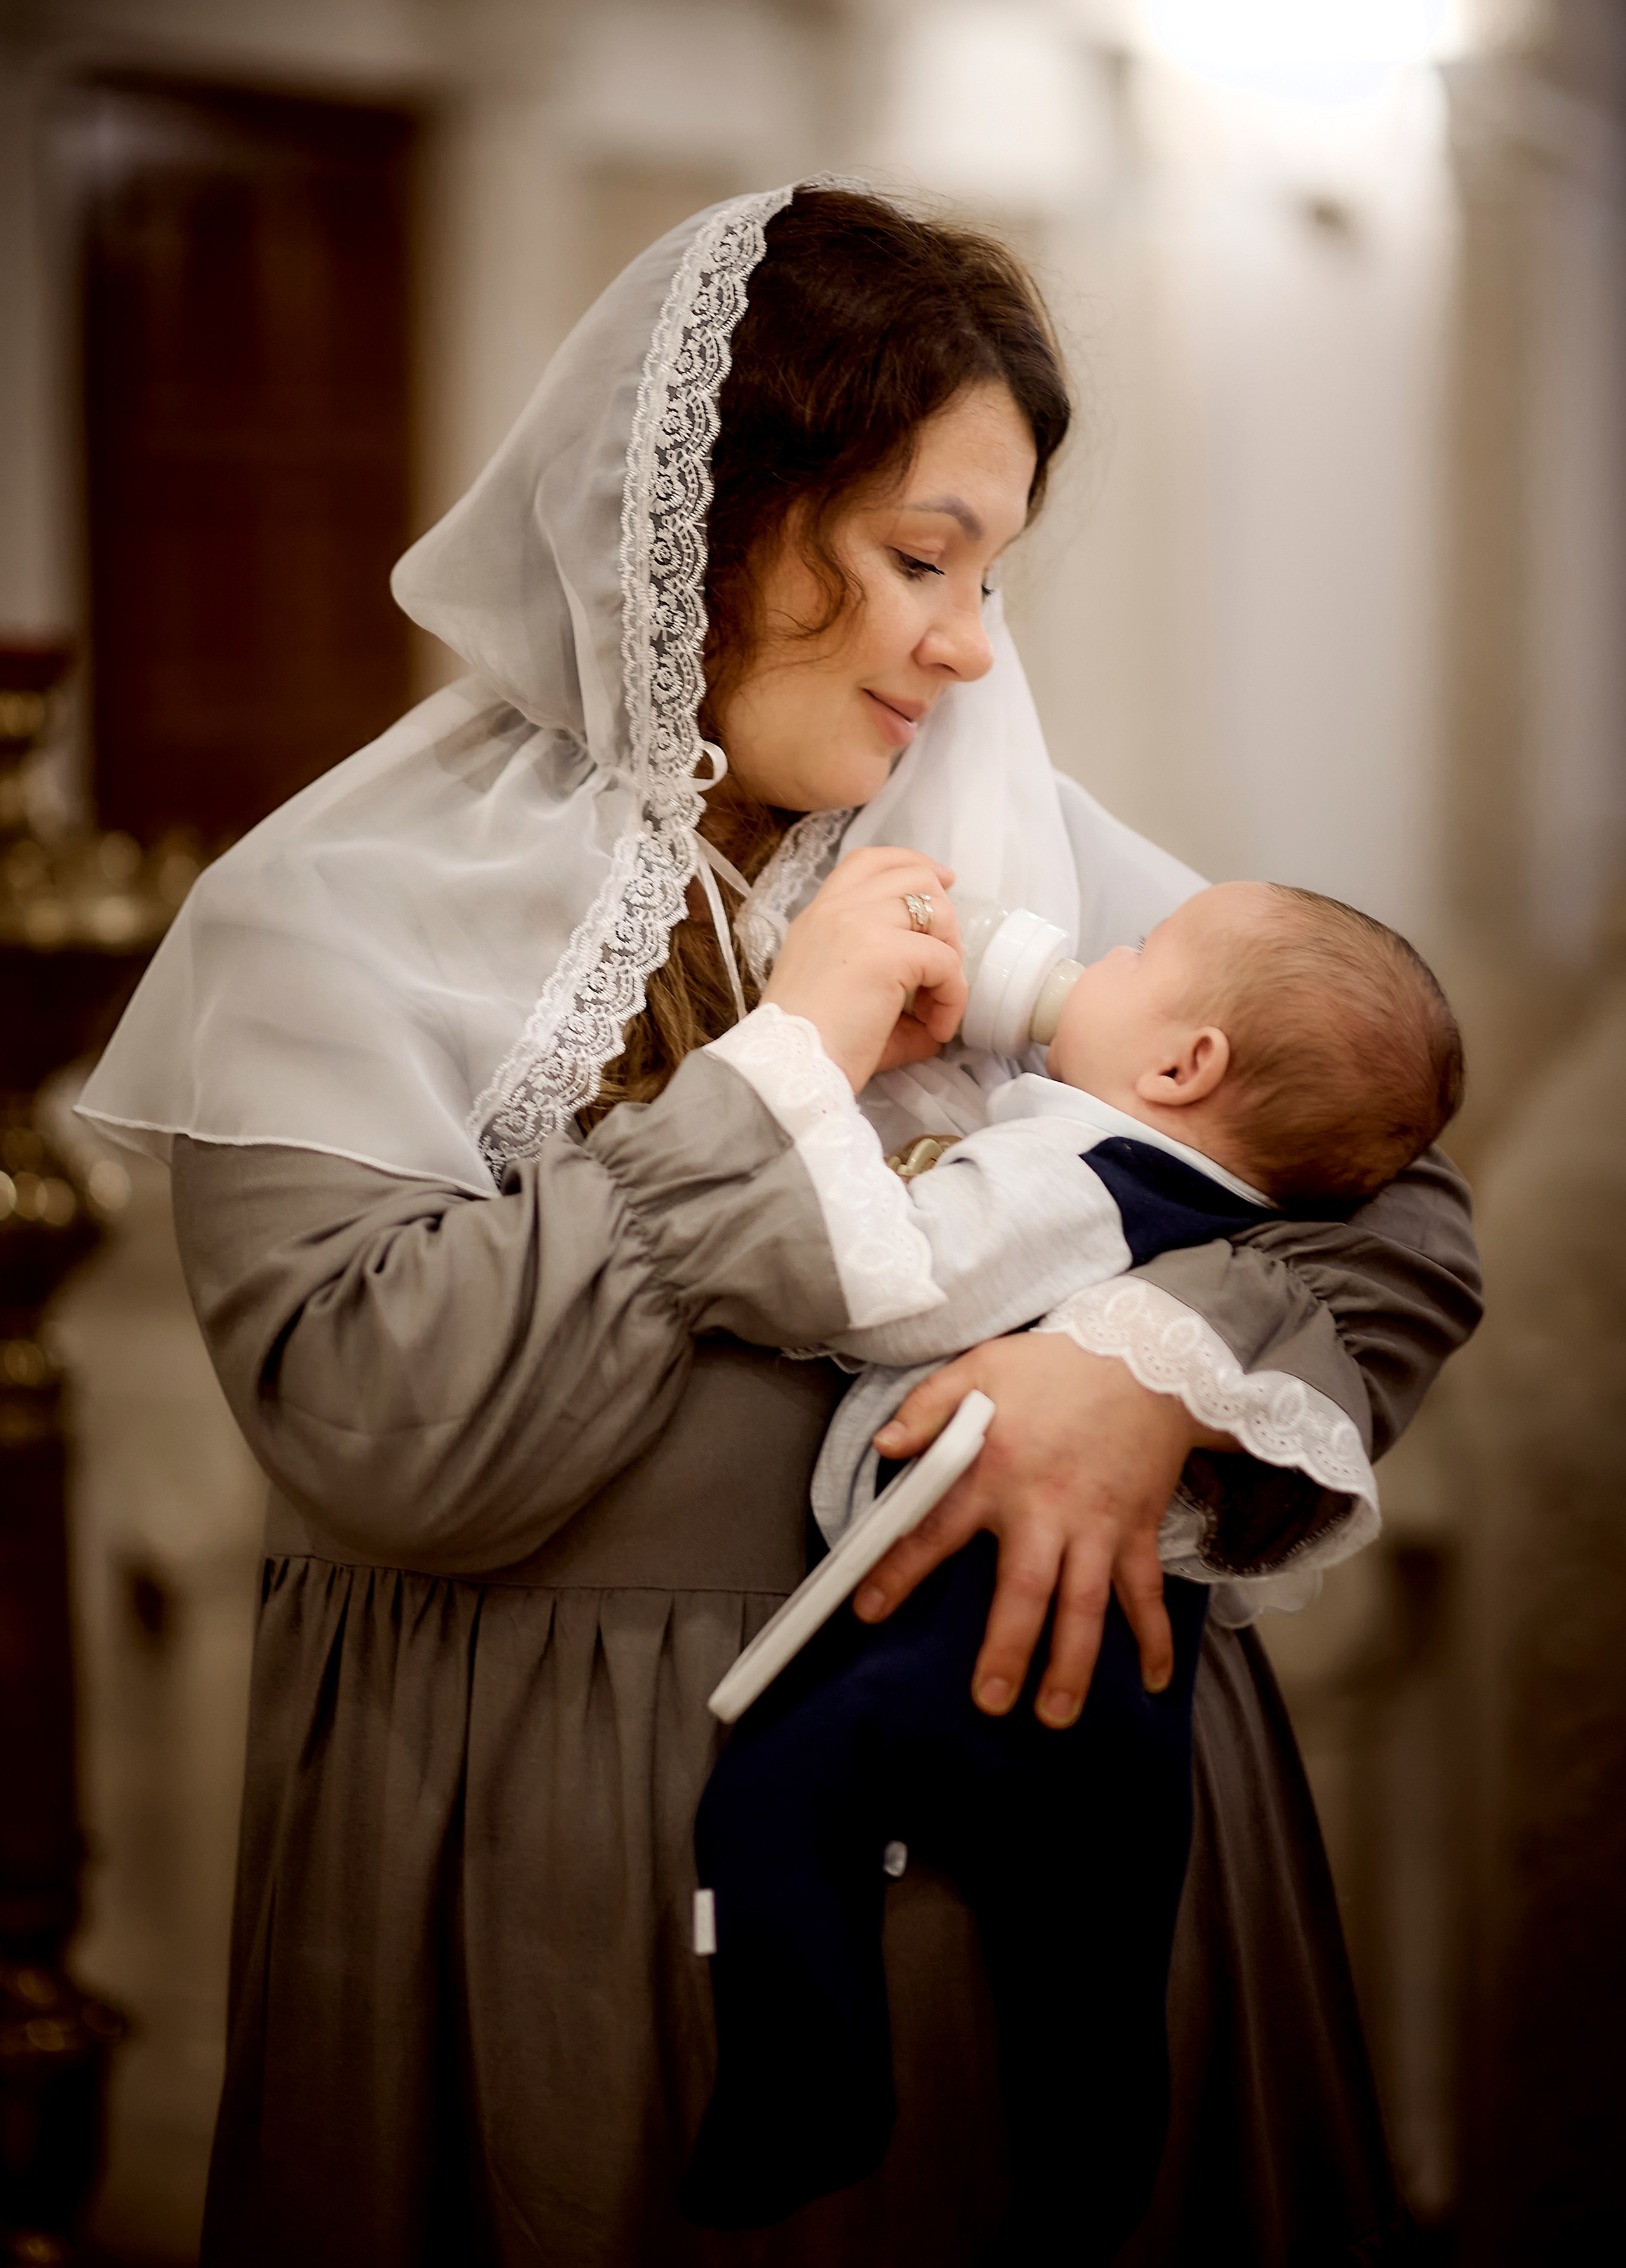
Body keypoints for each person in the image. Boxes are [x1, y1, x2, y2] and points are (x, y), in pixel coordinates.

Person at [77, 184, 1481, 2266]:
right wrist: (791, 1064)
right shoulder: (327, 914)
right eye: (922, 557)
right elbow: (396, 1427)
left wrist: (1137, 1370)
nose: (972, 642)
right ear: (708, 513)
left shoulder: (1023, 850)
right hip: (572, 1847)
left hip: (1084, 1832)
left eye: (994, 573)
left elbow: (1398, 1193)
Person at [687, 882, 1466, 2250]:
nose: (1096, 953)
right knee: (1092, 1944)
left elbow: (867, 1280)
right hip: (1134, 1650)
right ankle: (1090, 2177)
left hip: (975, 1610)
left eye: (1137, 954)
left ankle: (807, 2092)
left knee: (778, 1794)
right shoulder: (1190, 1196)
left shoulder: (1074, 1172)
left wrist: (797, 1076)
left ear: (1183, 1064)